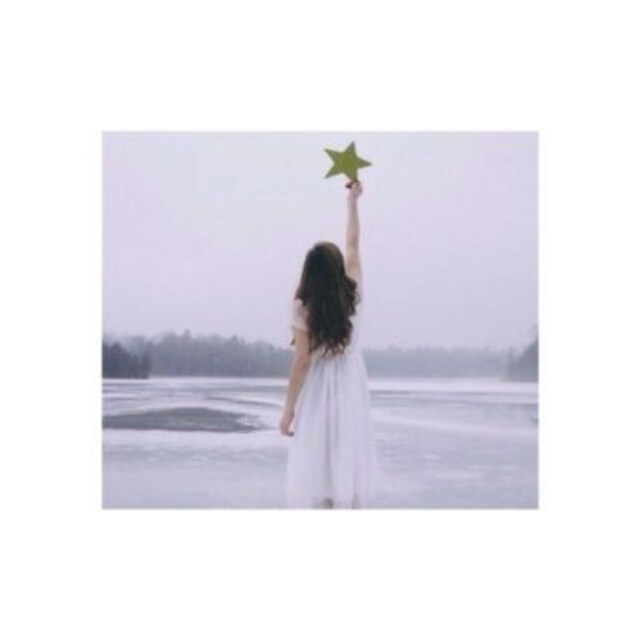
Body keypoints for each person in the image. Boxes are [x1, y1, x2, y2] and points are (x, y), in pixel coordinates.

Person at [279, 180, 381, 508]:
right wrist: (352, 203)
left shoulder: (302, 307)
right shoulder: (354, 290)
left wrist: (288, 411)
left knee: (318, 471)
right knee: (347, 466)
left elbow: (302, 362)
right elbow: (352, 243)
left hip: (320, 389)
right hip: (351, 386)